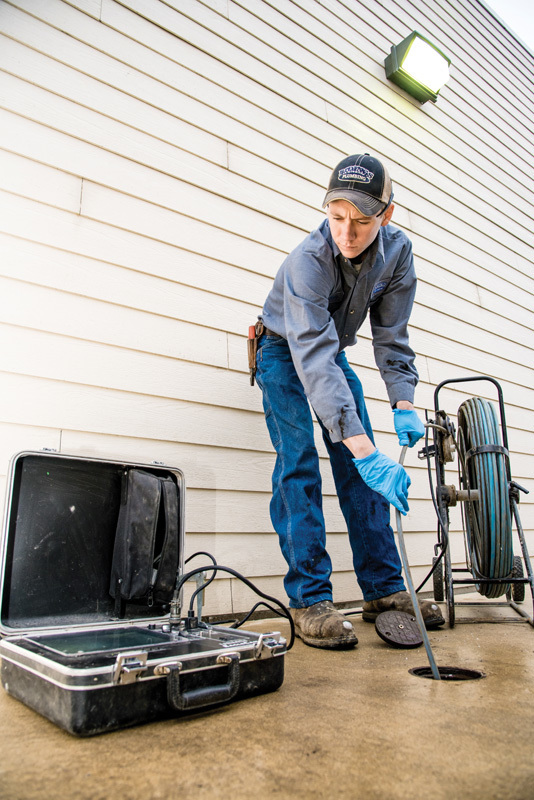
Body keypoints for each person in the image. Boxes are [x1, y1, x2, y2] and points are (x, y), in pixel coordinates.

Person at [253, 153, 444, 649]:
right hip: (282, 350)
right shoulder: (308, 262)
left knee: (361, 467)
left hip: (329, 351)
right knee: (299, 463)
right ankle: (309, 599)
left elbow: (392, 336)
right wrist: (363, 449)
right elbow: (313, 360)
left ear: (387, 214)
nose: (347, 233)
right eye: (337, 217)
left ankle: (383, 589)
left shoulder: (398, 253)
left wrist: (404, 403)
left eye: (361, 220)